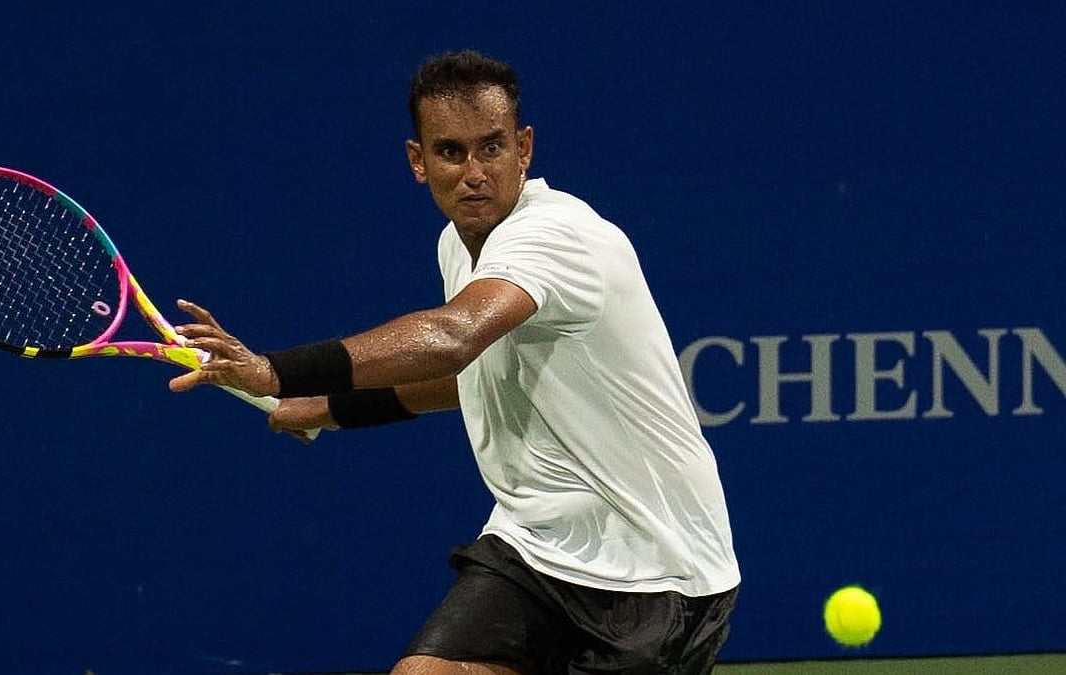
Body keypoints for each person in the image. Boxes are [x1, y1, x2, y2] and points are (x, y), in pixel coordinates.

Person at [169, 49, 740, 675]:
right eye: (451, 152)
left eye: (491, 148)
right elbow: (468, 377)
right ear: (419, 162)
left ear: (524, 148)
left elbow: (451, 337)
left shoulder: (552, 235)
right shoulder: (459, 244)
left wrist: (273, 372)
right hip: (535, 549)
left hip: (656, 571)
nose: (474, 172)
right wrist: (334, 409)